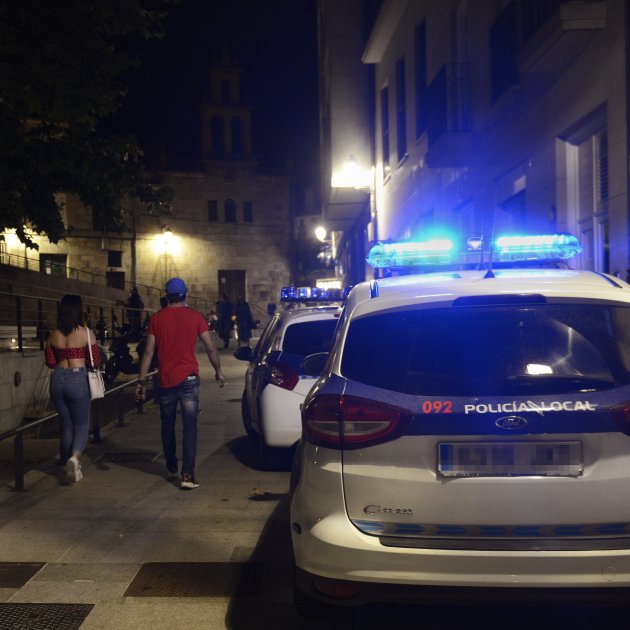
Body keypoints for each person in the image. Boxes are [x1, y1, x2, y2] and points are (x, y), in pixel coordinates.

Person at [135, 277, 226, 490]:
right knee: (190, 426)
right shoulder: (196, 317)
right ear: (186, 294)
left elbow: (148, 352)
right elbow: (211, 347)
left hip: (166, 379)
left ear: (167, 296)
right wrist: (218, 371)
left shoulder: (157, 319)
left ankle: (170, 463)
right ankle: (187, 474)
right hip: (189, 379)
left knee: (167, 423)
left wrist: (141, 380)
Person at [44, 294, 101, 483]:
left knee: (66, 424)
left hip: (58, 379)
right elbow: (95, 360)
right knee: (82, 424)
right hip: (78, 378)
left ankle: (66, 461)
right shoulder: (86, 333)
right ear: (78, 310)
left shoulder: (53, 334)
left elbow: (50, 362)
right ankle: (75, 458)